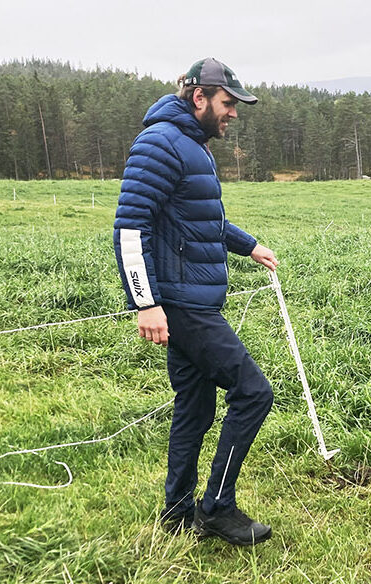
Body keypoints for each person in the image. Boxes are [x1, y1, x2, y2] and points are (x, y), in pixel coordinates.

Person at [113, 58, 278, 546]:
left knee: (195, 406)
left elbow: (198, 220)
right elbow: (129, 230)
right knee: (253, 392)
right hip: (183, 306)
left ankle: (177, 511)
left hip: (192, 298)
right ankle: (218, 508)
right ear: (199, 97)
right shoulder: (161, 143)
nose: (233, 114)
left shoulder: (193, 146)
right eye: (228, 104)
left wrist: (248, 244)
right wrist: (145, 303)